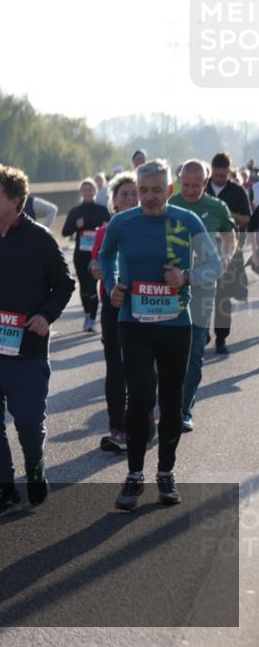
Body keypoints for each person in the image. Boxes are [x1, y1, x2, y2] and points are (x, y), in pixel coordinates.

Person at [0, 165, 75, 517]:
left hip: (28, 349)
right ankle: (5, 487)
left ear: (16, 201)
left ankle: (35, 465)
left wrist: (46, 316)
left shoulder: (39, 239)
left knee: (29, 423)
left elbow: (64, 283)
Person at [99, 159, 221, 511]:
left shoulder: (186, 220)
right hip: (133, 322)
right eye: (143, 191)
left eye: (157, 190)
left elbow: (214, 265)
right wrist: (111, 288)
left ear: (170, 190)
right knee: (138, 399)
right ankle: (134, 474)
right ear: (135, 191)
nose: (149, 198)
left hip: (174, 325)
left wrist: (186, 277)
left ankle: (165, 472)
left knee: (171, 402)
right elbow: (106, 259)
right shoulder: (122, 222)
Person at [168, 159, 235, 431]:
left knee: (195, 350)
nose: (191, 190)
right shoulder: (169, 203)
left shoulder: (217, 208)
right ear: (179, 180)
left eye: (197, 185)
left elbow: (231, 236)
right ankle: (167, 398)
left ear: (206, 184)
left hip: (203, 285)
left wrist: (228, 255)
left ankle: (184, 409)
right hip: (170, 286)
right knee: (168, 348)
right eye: (186, 184)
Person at [89, 172, 139, 453]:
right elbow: (94, 263)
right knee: (115, 367)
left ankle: (143, 416)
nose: (131, 198)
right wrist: (96, 270)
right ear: (114, 202)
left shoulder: (153, 228)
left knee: (143, 366)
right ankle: (117, 428)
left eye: (135, 193)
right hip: (113, 303)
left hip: (146, 303)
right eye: (125, 194)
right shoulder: (104, 232)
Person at [206, 151, 252, 354]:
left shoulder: (237, 191)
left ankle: (221, 338)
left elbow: (247, 220)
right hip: (203, 249)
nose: (219, 179)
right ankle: (201, 332)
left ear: (229, 171)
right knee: (201, 294)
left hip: (228, 249)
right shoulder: (201, 188)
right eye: (216, 175)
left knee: (223, 297)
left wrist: (225, 211)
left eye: (223, 176)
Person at [62, 178, 111, 332]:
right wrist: (76, 226)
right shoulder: (76, 211)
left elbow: (112, 229)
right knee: (83, 287)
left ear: (95, 192)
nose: (88, 192)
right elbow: (65, 232)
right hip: (80, 254)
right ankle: (87, 314)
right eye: (85, 190)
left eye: (90, 189)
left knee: (92, 286)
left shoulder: (102, 210)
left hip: (96, 254)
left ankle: (91, 319)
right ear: (81, 193)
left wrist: (106, 227)